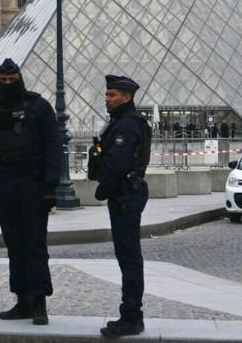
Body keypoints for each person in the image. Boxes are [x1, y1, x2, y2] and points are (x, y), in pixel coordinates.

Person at [0, 58, 62, 325]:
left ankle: (39, 302)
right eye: (3, 82)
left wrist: (50, 187)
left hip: (34, 185)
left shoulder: (40, 107)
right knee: (14, 245)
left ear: (21, 79)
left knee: (35, 244)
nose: (8, 85)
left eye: (12, 81)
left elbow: (53, 148)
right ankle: (22, 299)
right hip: (6, 186)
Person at [92, 75, 150, 338]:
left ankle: (131, 316)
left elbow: (117, 164)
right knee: (127, 256)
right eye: (107, 94)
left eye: (112, 95)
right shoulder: (124, 122)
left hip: (125, 195)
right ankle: (131, 313)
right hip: (127, 194)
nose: (107, 99)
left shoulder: (126, 126)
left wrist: (102, 190)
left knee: (128, 257)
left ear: (127, 97)